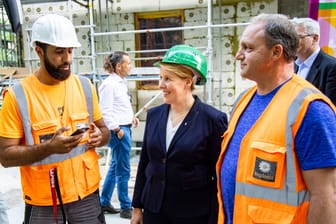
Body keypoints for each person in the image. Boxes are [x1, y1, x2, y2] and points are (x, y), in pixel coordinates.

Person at [216, 13, 336, 224]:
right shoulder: (244, 101)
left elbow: (327, 195)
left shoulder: (311, 110)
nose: (238, 55)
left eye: (248, 48)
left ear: (276, 52)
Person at [0, 14, 110, 224]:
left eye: (70, 50)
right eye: (59, 52)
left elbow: (105, 131)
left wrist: (100, 136)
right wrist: (50, 147)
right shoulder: (17, 97)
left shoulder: (85, 87)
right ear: (39, 51)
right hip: (43, 202)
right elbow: (5, 156)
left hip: (86, 197)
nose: (68, 59)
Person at [131, 44, 228, 224]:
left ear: (188, 82)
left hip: (192, 214)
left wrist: (216, 218)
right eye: (160, 77)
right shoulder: (154, 115)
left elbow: (219, 176)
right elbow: (145, 162)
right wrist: (137, 207)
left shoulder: (213, 120)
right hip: (154, 210)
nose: (161, 85)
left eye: (168, 78)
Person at [98, 51, 139, 219]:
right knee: (124, 169)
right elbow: (104, 112)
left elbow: (121, 106)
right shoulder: (109, 85)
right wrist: (117, 130)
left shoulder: (121, 83)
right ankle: (125, 207)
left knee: (116, 166)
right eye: (128, 63)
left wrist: (132, 117)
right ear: (119, 66)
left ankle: (104, 201)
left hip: (124, 126)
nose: (130, 66)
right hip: (119, 131)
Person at [292, 17, 336, 105]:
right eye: (290, 37)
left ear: (315, 38)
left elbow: (330, 105)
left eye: (297, 37)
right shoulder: (293, 65)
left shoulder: (331, 66)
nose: (292, 42)